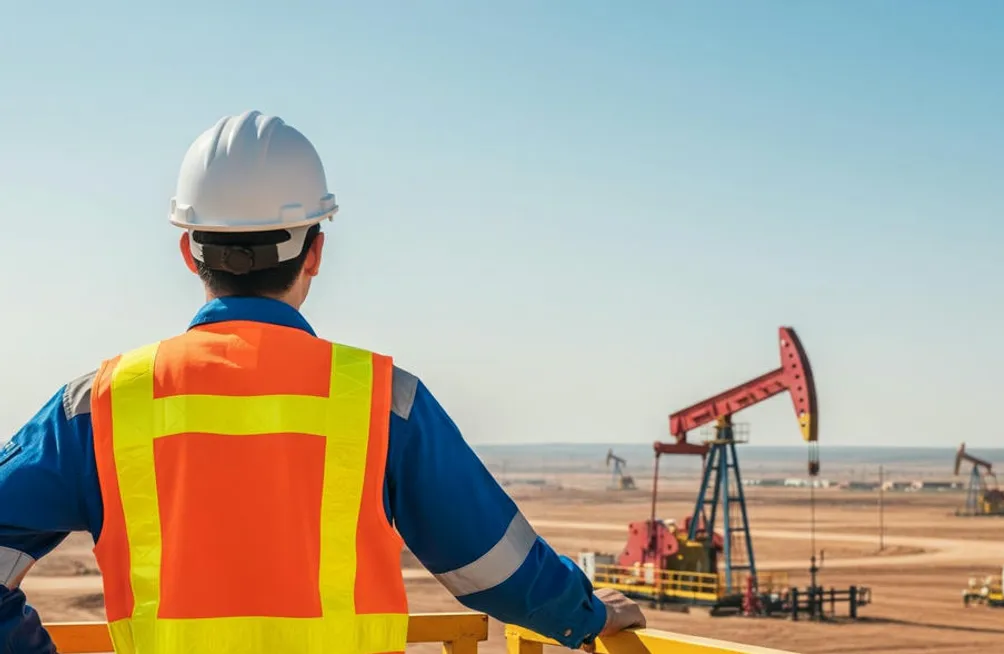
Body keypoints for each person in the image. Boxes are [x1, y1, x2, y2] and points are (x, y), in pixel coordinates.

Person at [0, 110, 645, 653]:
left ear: (188, 250)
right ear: (314, 252)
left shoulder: (100, 404)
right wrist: (583, 613)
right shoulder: (383, 400)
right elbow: (497, 571)